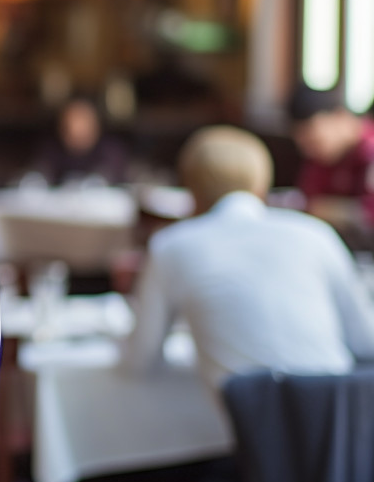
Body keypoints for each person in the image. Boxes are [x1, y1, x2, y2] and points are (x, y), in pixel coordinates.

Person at [119, 125, 374, 393]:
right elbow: (366, 340)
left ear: (191, 189)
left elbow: (140, 361)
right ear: (261, 184)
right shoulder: (315, 233)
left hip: (246, 412)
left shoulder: (171, 244)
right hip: (336, 408)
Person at [287, 84, 374, 243]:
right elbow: (309, 200)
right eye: (304, 145)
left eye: (315, 141)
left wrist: (326, 208)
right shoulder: (320, 157)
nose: (309, 151)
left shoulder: (369, 150)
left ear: (340, 117)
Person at [35, 94, 128, 186]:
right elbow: (39, 173)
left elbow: (114, 174)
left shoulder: (112, 151)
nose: (77, 128)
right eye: (71, 122)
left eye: (83, 120)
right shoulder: (50, 150)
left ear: (95, 125)